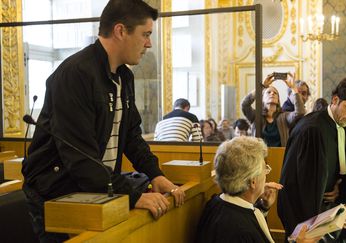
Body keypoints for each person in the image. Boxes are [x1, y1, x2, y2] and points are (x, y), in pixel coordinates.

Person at [21, 1, 185, 242]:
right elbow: (80, 158)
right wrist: (133, 197)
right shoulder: (75, 74)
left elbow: (131, 136)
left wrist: (155, 174)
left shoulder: (124, 76)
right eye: (145, 34)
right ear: (120, 31)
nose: (149, 43)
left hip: (94, 192)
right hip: (55, 194)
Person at [277, 74, 346, 241]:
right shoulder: (313, 130)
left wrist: (335, 185)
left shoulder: (338, 124)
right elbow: (300, 187)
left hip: (325, 215)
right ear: (335, 99)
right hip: (306, 224)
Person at [195, 136, 318, 243]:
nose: (266, 174)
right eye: (265, 169)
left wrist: (263, 208)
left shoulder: (215, 202)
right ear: (253, 181)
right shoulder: (241, 232)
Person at [241, 73, 306, 147]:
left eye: (275, 93)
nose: (272, 93)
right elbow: (244, 105)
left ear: (278, 100)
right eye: (268, 92)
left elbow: (300, 112)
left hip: (280, 157)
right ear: (263, 99)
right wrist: (261, 87)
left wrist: (294, 89)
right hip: (259, 157)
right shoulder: (256, 116)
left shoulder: (284, 117)